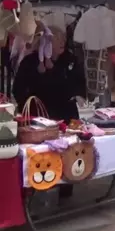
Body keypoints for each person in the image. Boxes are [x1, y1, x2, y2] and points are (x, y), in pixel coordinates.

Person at [13, 26, 86, 199]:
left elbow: (78, 84)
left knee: (68, 151)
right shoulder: (31, 62)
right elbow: (18, 89)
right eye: (57, 39)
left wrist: (78, 95)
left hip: (67, 115)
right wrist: (28, 107)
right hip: (40, 118)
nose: (62, 43)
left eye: (62, 39)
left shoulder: (70, 59)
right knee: (42, 154)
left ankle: (66, 188)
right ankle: (37, 186)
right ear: (45, 42)